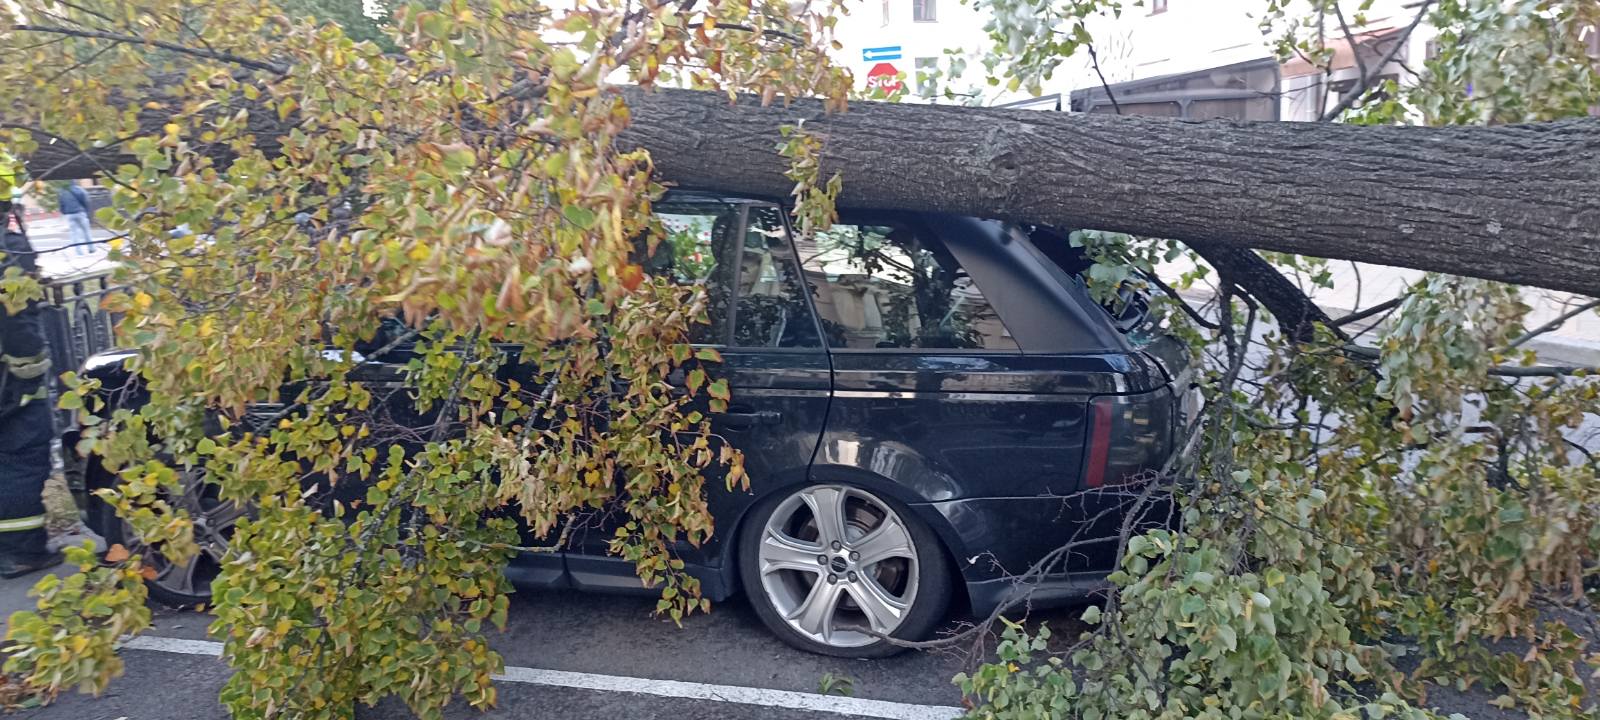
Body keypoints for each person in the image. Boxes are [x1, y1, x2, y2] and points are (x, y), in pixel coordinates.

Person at [0, 156, 61, 578]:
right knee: (22, 456)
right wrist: (30, 369)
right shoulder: (8, 246)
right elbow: (16, 319)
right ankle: (22, 550)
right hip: (9, 380)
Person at [57, 181, 93, 255]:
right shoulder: (78, 189)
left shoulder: (62, 191)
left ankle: (78, 251)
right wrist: (86, 210)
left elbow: (61, 204)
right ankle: (91, 248)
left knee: (74, 233)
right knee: (86, 231)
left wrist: (64, 212)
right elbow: (85, 200)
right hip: (80, 212)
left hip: (70, 214)